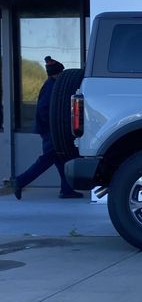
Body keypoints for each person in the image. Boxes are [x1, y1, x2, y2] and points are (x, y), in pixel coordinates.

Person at [11, 56, 83, 200]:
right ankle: (20, 181)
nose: (63, 75)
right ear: (56, 73)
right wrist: (54, 128)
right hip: (51, 132)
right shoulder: (51, 87)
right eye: (61, 73)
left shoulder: (52, 85)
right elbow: (44, 110)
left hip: (50, 131)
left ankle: (66, 190)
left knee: (62, 159)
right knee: (48, 160)